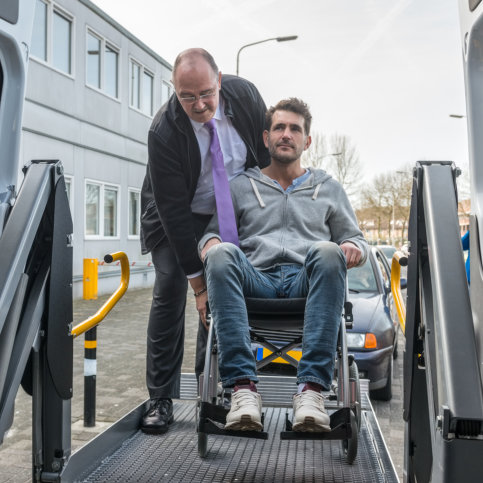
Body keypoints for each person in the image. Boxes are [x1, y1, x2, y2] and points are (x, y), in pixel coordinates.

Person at [199, 98, 367, 432]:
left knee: (327, 250)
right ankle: (244, 390)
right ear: (266, 137)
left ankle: (311, 392)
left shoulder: (329, 188)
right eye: (279, 127)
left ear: (307, 141)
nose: (286, 134)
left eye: (295, 129)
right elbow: (210, 235)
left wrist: (350, 246)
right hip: (255, 279)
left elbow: (357, 240)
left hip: (307, 282)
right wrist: (211, 244)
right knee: (221, 254)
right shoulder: (240, 186)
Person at [140, 48, 270, 434]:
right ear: (174, 90)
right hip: (174, 217)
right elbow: (173, 211)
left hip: (226, 211)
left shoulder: (244, 96)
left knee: (222, 288)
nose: (199, 105)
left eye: (206, 94)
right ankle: (160, 397)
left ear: (219, 81)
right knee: (170, 288)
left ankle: (208, 391)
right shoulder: (163, 130)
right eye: (187, 96)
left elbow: (263, 160)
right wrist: (196, 283)